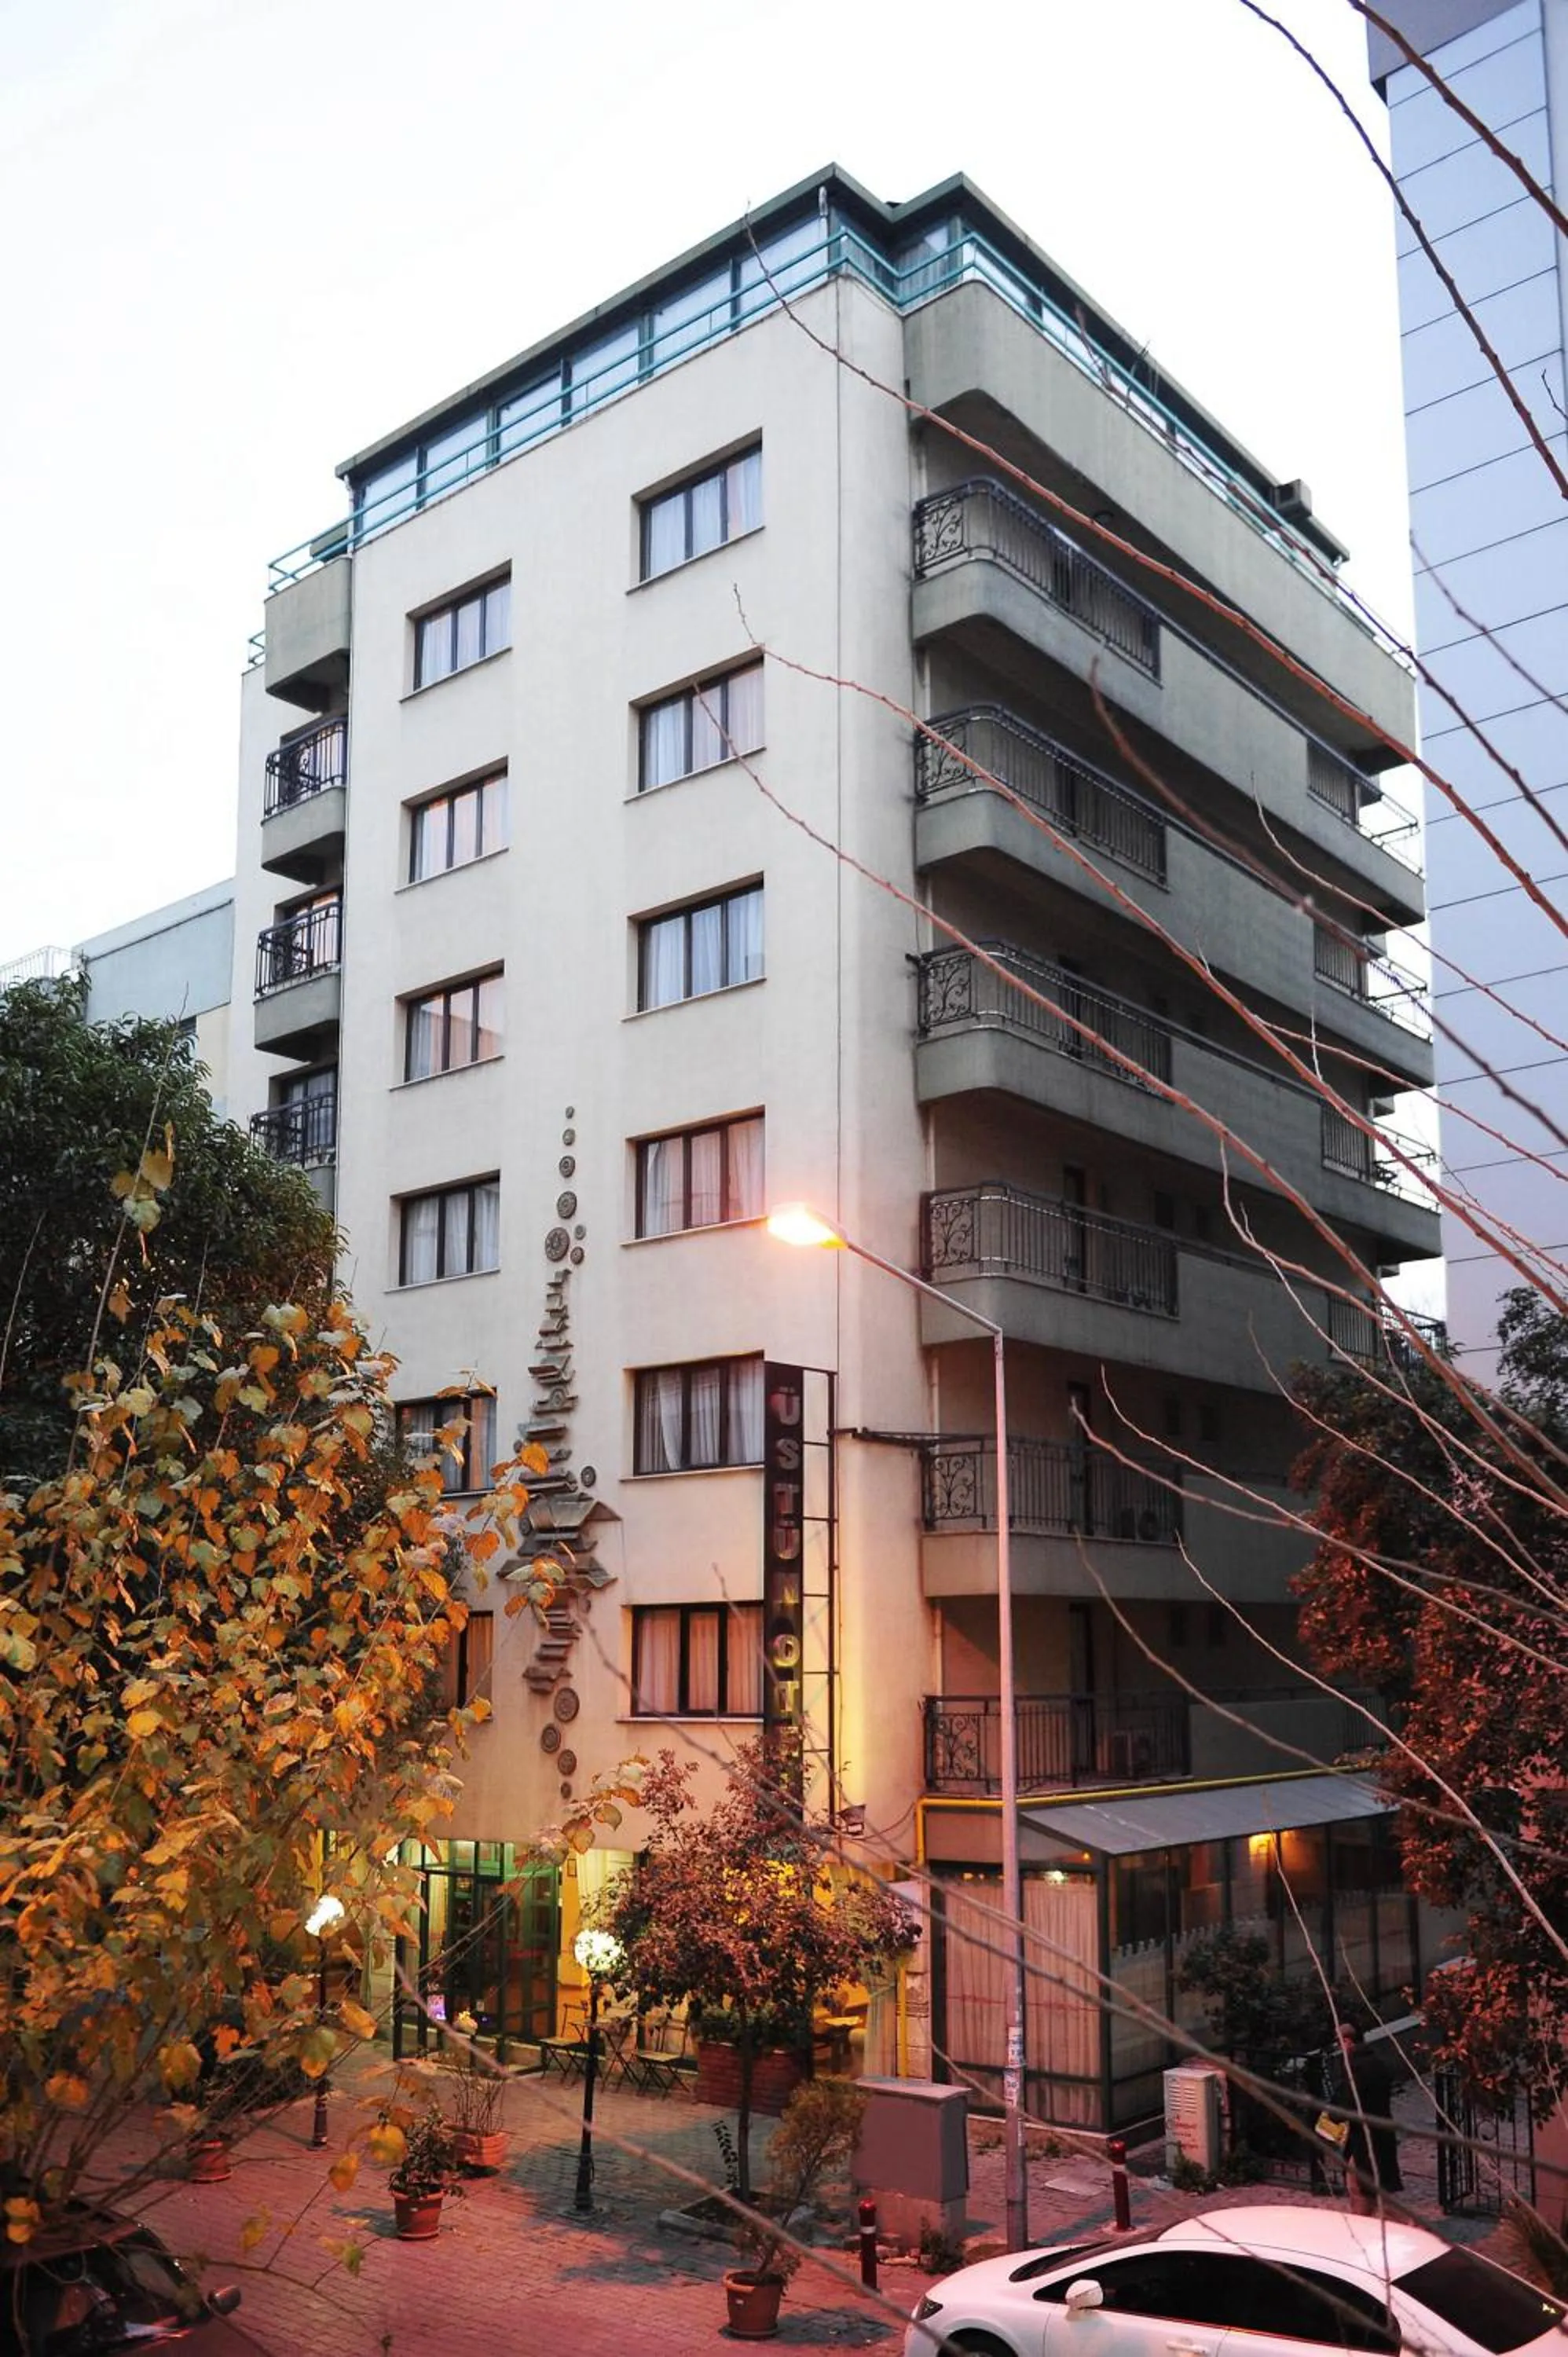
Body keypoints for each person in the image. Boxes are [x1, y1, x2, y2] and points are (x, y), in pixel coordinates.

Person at [1336, 2021, 1403, 2214]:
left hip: (1365, 2136)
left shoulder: (1355, 2067)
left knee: (1358, 2186)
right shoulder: (1377, 2062)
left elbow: (1349, 2101)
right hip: (1380, 2131)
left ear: (1347, 2041)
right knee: (1373, 2187)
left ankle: (1367, 2227)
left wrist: (1333, 2116)